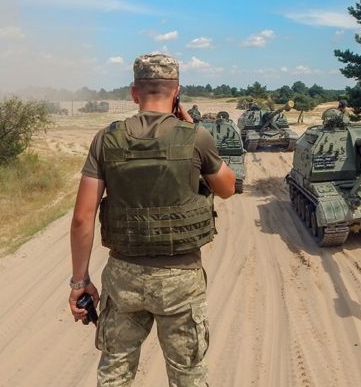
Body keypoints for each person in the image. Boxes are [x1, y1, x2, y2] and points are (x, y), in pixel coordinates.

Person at [69, 52, 236, 387]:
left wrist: (79, 282)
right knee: (187, 375)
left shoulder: (106, 139)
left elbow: (82, 218)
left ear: (134, 93)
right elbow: (227, 188)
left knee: (114, 373)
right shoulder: (196, 137)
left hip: (124, 278)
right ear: (177, 92)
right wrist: (191, 129)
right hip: (180, 279)